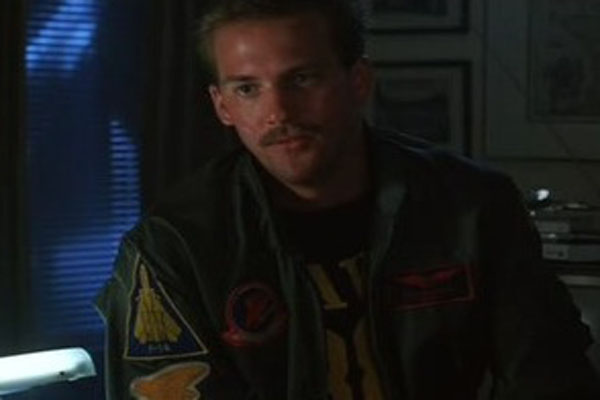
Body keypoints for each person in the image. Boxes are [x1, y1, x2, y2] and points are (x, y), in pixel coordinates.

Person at [95, 0, 600, 398]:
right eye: (248, 89)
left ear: (357, 81)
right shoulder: (174, 245)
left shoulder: (469, 206)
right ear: (222, 105)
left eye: (302, 79)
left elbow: (550, 374)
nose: (278, 112)